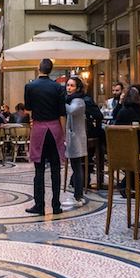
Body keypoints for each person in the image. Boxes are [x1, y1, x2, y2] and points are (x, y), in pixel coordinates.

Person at [23, 58, 66, 215]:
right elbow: (62, 112)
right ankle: (56, 205)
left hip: (39, 129)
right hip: (55, 129)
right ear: (51, 70)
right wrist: (64, 133)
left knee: (39, 170)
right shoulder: (58, 88)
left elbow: (28, 109)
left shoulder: (30, 86)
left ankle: (39, 205)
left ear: (38, 68)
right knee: (56, 169)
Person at [114, 86, 140, 197]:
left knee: (131, 158)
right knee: (135, 158)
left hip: (123, 151)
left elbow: (115, 124)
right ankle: (129, 185)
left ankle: (126, 185)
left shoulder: (123, 112)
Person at [65, 77, 88, 208]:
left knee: (77, 167)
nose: (68, 88)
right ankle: (78, 195)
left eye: (72, 86)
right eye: (67, 85)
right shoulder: (72, 99)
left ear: (77, 88)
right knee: (76, 167)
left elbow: (71, 110)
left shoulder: (78, 101)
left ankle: (78, 196)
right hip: (73, 138)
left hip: (77, 139)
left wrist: (59, 102)